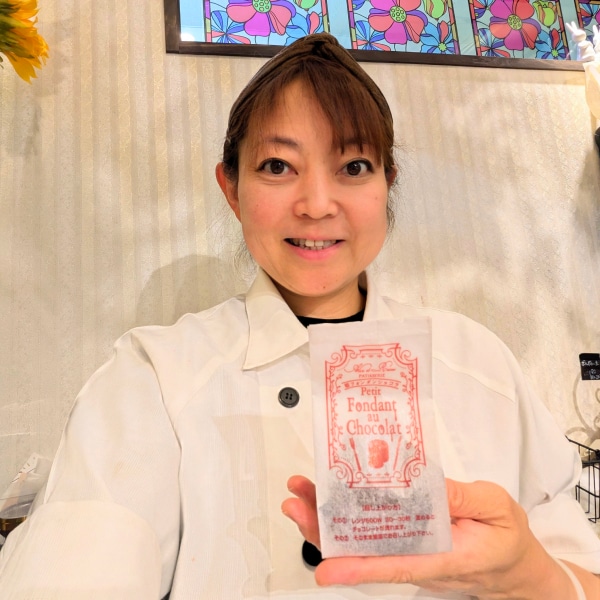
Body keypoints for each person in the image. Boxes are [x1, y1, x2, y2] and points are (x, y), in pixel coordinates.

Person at [0, 32, 599, 600]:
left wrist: (529, 574)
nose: (316, 205)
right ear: (231, 188)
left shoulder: (476, 361)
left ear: (387, 184)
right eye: (277, 166)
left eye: (354, 166)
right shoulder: (155, 375)